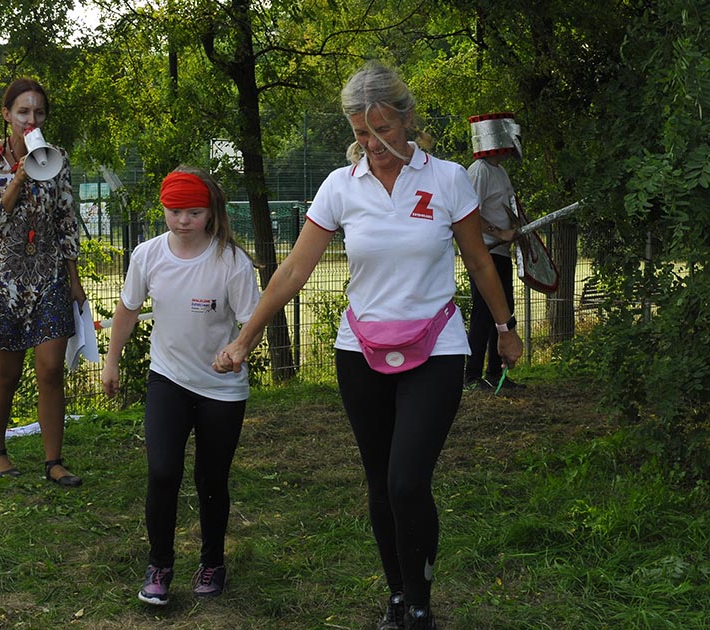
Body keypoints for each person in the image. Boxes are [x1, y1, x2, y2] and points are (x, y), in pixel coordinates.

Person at [214, 62, 522, 630]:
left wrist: (504, 328)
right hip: (360, 351)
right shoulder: (339, 185)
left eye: (382, 130)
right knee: (380, 482)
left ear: (407, 119)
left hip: (437, 346)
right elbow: (294, 270)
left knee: (409, 480)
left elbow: (480, 259)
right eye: (361, 133)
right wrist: (245, 335)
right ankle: (399, 597)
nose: (373, 145)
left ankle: (423, 604)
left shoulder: (449, 178)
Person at [101, 166, 261, 605]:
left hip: (222, 390)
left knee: (211, 478)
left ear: (209, 213)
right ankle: (160, 565)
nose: (182, 220)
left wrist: (237, 350)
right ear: (164, 210)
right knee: (163, 471)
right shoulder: (147, 255)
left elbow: (252, 323)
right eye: (174, 211)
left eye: (193, 212)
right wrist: (111, 362)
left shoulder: (231, 261)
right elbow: (128, 309)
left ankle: (212, 562)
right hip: (168, 380)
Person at [0, 78, 86, 487]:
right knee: (7, 373)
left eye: (38, 112)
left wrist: (74, 278)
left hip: (50, 274)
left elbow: (66, 219)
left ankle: (54, 461)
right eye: (23, 112)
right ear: (6, 114)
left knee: (51, 369)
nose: (31, 119)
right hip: (4, 279)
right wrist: (19, 177)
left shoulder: (57, 158)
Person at [464, 112, 524, 392]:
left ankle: (494, 372)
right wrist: (499, 233)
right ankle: (472, 375)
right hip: (485, 252)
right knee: (483, 314)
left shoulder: (499, 171)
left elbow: (506, 208)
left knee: (503, 314)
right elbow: (468, 213)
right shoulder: (479, 171)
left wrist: (515, 228)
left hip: (501, 253)